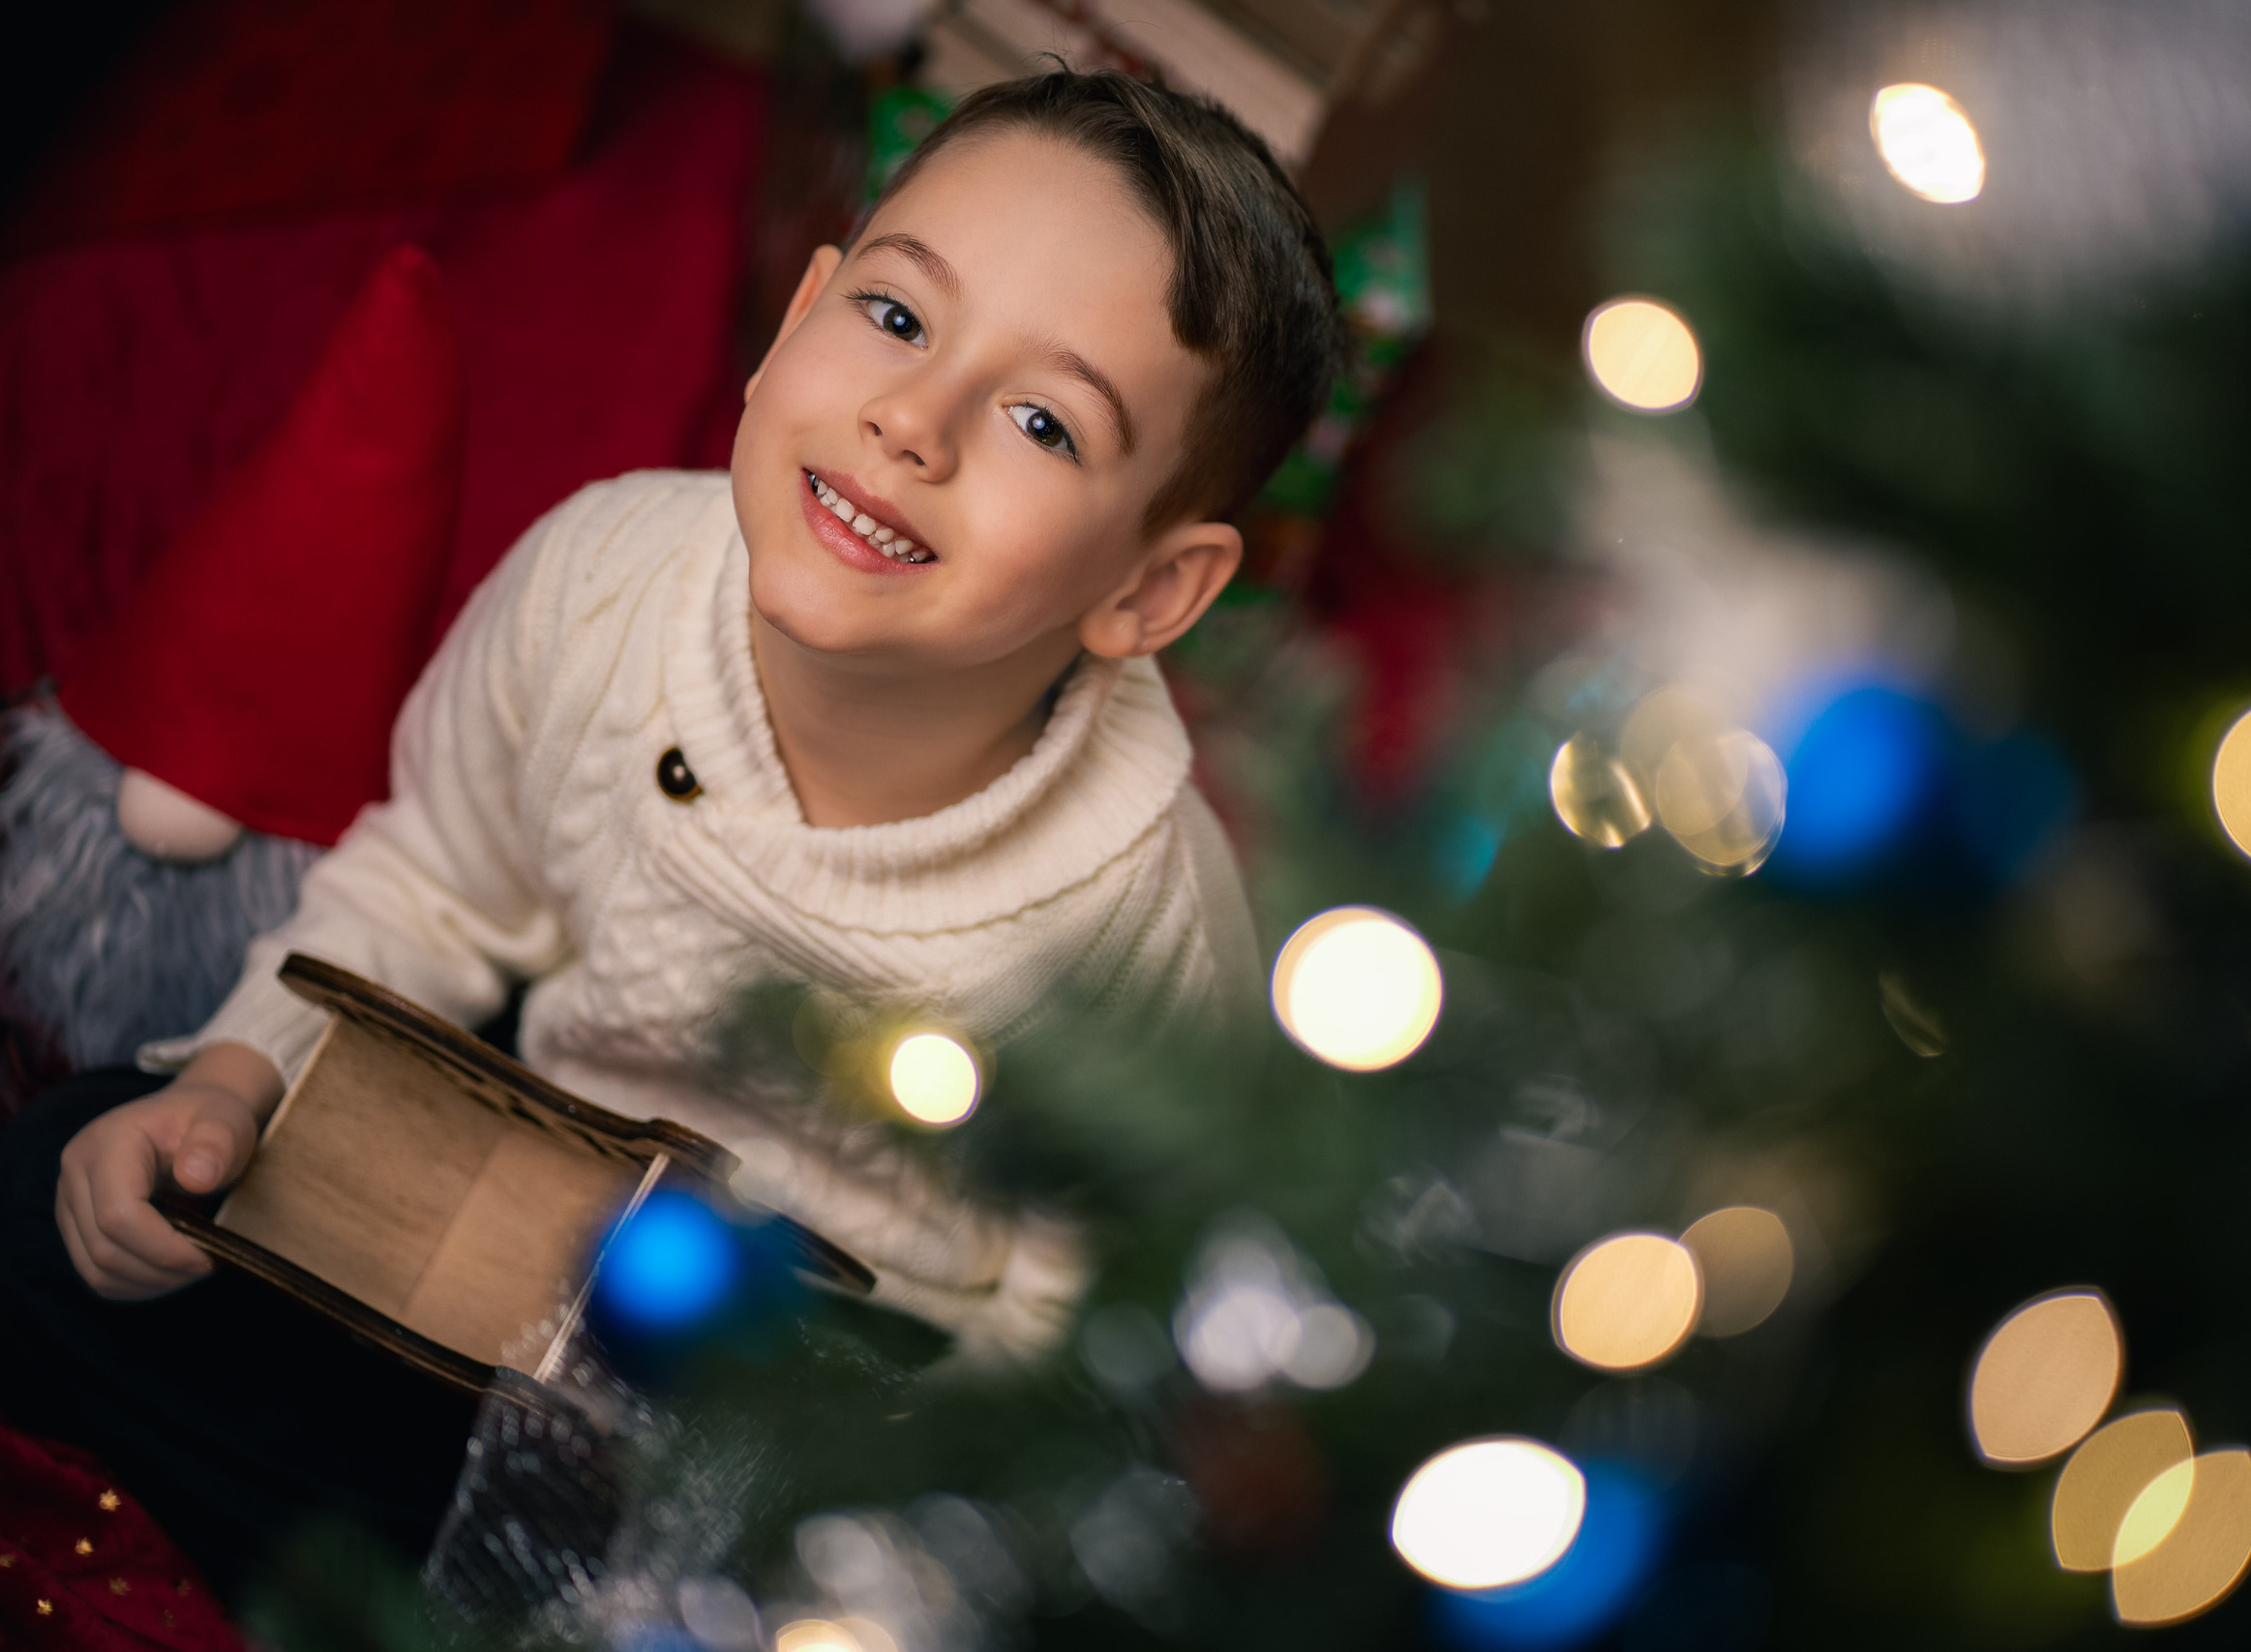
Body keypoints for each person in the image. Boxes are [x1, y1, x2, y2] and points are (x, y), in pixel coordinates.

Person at [2, 68, 1344, 1593]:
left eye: (1042, 420)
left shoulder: (1135, 917)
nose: (914, 421)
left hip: (822, 1429)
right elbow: (437, 880)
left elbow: (1093, 1309)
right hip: (516, 1257)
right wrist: (239, 1080)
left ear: (1149, 594)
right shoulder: (605, 577)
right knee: (61, 1192)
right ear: (794, 325)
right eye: (898, 321)